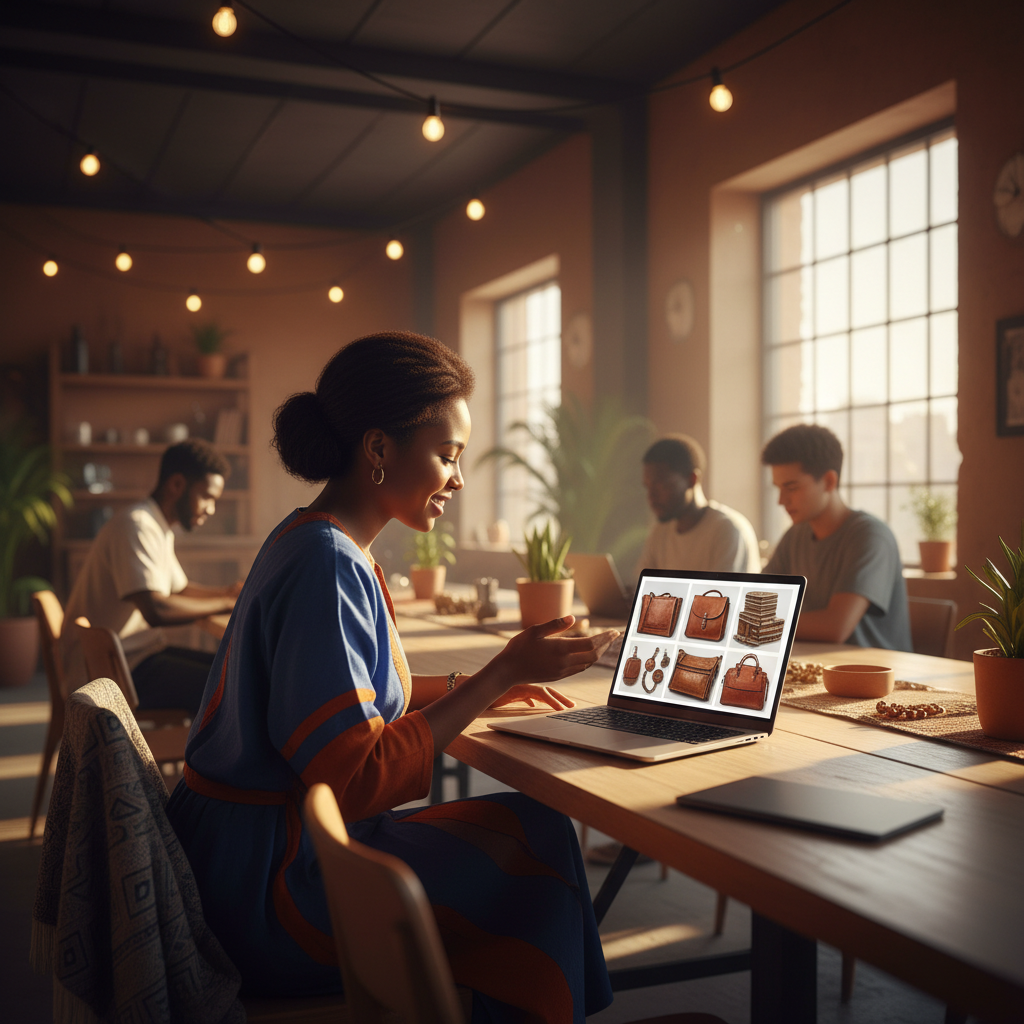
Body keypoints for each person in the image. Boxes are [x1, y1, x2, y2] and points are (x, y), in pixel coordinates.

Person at [166, 332, 617, 1021]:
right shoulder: (329, 564)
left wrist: (486, 683)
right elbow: (355, 776)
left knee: (531, 829)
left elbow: (353, 703)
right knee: (537, 845)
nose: (458, 480)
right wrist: (501, 671)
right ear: (378, 449)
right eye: (448, 455)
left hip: (243, 850)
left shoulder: (312, 537)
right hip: (272, 887)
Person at [64, 439, 240, 715]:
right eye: (207, 497)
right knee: (234, 685)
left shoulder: (156, 525)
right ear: (177, 485)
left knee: (233, 670)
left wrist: (229, 593)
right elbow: (156, 609)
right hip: (112, 674)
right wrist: (228, 604)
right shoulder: (137, 525)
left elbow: (179, 590)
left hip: (131, 657)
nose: (211, 509)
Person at [762, 423, 912, 650]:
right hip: (814, 663)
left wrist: (758, 625)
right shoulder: (794, 536)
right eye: (778, 488)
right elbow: (759, 603)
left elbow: (835, 627)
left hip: (872, 670)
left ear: (829, 481)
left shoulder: (870, 536)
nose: (781, 500)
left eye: (791, 488)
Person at [638, 434, 761, 575]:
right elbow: (642, 584)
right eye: (647, 486)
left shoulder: (727, 530)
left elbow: (723, 589)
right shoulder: (660, 532)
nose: (651, 496)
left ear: (692, 479)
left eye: (661, 484)